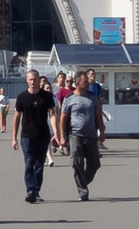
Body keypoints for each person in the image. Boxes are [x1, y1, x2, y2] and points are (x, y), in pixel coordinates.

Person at [10, 67, 56, 204]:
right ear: (26, 80)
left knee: (39, 164)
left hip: (43, 134)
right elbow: (17, 117)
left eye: (35, 79)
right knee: (29, 162)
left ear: (39, 80)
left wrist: (56, 132)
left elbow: (52, 114)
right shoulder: (22, 97)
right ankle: (30, 190)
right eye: (30, 79)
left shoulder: (46, 96)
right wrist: (14, 138)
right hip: (27, 135)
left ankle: (36, 190)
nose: (33, 81)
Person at [61, 67, 104, 202]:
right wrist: (62, 136)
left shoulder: (92, 97)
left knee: (95, 164)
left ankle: (82, 182)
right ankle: (82, 192)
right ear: (78, 83)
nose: (88, 84)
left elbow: (98, 115)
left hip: (91, 135)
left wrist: (101, 132)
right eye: (85, 81)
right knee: (77, 162)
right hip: (75, 135)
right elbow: (63, 118)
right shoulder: (70, 99)